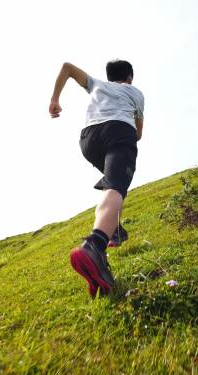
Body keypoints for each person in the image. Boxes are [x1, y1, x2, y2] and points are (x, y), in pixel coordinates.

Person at [49, 60, 144, 297]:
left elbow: (67, 67)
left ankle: (114, 228)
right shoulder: (135, 92)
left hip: (89, 139)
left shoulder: (97, 84)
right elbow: (139, 133)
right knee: (116, 187)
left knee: (112, 183)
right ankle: (96, 244)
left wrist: (54, 100)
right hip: (119, 133)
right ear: (130, 77)